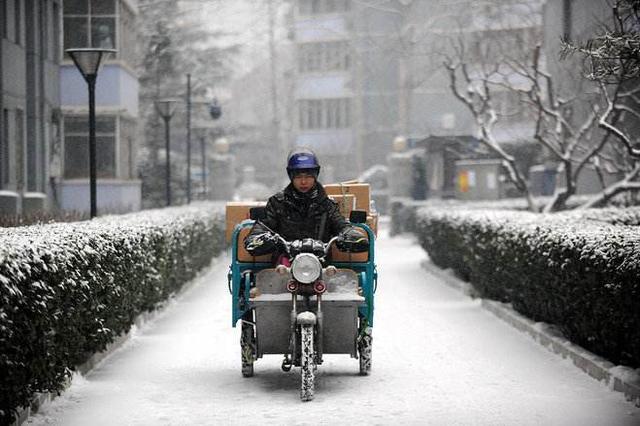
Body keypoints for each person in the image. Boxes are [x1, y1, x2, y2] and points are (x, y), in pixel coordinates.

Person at [244, 148, 367, 258]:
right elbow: (263, 226)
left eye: (308, 176)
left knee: (342, 281)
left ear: (315, 176)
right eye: (298, 177)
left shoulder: (327, 204)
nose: (303, 181)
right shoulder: (277, 203)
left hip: (321, 265)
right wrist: (259, 238)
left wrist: (350, 235)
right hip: (284, 264)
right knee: (266, 280)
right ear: (291, 177)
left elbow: (341, 224)